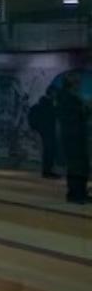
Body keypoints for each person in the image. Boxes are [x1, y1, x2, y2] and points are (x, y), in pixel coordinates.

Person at [56, 75, 88, 203]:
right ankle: (76, 194)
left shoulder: (64, 97)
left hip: (71, 136)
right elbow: (78, 116)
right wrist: (85, 108)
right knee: (77, 166)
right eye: (77, 83)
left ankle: (78, 193)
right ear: (72, 85)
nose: (79, 85)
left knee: (77, 166)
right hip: (74, 137)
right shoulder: (70, 99)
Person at [30, 89, 60, 179]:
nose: (56, 95)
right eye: (55, 93)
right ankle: (47, 172)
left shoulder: (41, 105)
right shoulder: (49, 105)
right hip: (46, 132)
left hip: (44, 131)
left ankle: (47, 171)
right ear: (51, 93)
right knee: (48, 151)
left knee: (48, 151)